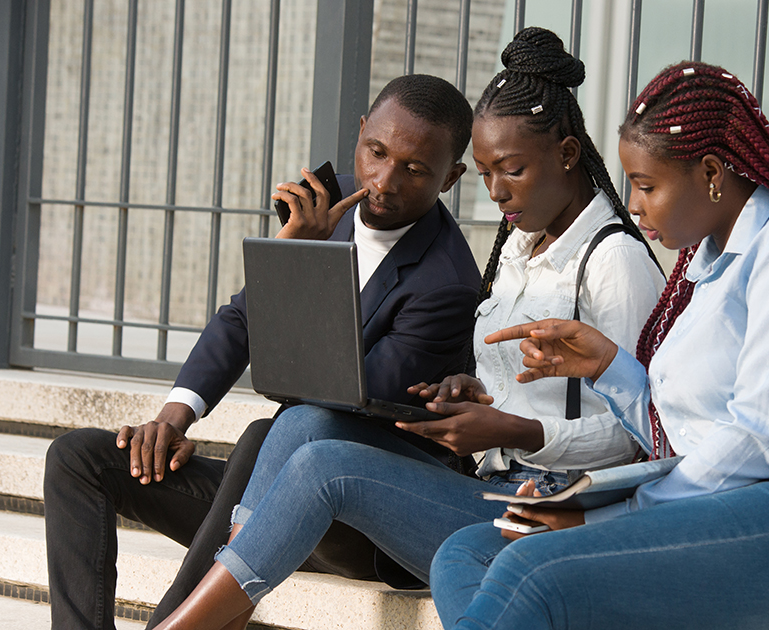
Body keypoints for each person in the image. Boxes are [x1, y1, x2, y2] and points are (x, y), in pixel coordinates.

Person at [147, 27, 665, 630]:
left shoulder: (616, 263)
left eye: (512, 171)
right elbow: (525, 384)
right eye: (487, 172)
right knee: (301, 422)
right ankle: (223, 618)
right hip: (491, 490)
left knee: (322, 466)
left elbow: (640, 435)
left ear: (568, 155)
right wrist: (471, 390)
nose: (495, 192)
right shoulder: (522, 246)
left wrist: (514, 428)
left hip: (553, 512)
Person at [429, 61, 769, 630]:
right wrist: (609, 367)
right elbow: (683, 434)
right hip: (728, 506)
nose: (633, 205)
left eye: (647, 185)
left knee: (532, 568)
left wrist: (612, 514)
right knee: (467, 553)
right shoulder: (700, 270)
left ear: (710, 172)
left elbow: (764, 435)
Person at [42, 73, 482, 630]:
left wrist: (293, 262)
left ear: (452, 177)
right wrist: (174, 417)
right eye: (376, 152)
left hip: (362, 525)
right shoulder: (328, 204)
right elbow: (242, 319)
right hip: (270, 498)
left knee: (274, 430)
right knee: (80, 458)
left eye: (415, 169)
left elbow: (330, 393)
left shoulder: (446, 283)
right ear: (362, 131)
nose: (384, 180)